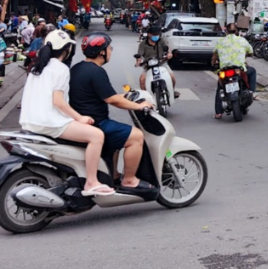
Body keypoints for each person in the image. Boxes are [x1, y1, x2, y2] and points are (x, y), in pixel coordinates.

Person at [20, 30, 113, 196]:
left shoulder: (37, 67)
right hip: (50, 122)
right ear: (68, 49)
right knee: (97, 135)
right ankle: (91, 182)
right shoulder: (61, 68)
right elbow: (58, 101)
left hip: (29, 121)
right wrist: (80, 118)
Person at [68, 33, 155, 194]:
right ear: (101, 52)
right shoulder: (97, 72)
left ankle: (113, 175)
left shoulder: (77, 68)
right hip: (97, 124)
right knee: (136, 136)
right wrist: (139, 106)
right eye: (109, 48)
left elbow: (106, 94)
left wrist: (126, 96)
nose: (111, 51)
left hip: (82, 122)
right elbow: (113, 100)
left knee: (119, 136)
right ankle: (129, 180)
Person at [211, 23, 257, 119]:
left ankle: (218, 113)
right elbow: (251, 52)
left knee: (220, 87)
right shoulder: (242, 40)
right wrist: (245, 55)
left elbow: (214, 55)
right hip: (238, 70)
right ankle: (252, 92)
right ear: (236, 31)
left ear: (226, 31)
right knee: (252, 71)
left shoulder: (220, 41)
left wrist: (213, 63)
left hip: (224, 70)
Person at [136, 26, 179, 97]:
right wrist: (138, 61)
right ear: (149, 34)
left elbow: (167, 49)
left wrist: (169, 54)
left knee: (172, 76)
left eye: (157, 34)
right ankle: (145, 96)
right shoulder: (143, 44)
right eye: (154, 34)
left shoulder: (162, 41)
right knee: (142, 80)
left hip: (162, 63)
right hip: (148, 65)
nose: (156, 36)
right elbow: (139, 55)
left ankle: (172, 91)